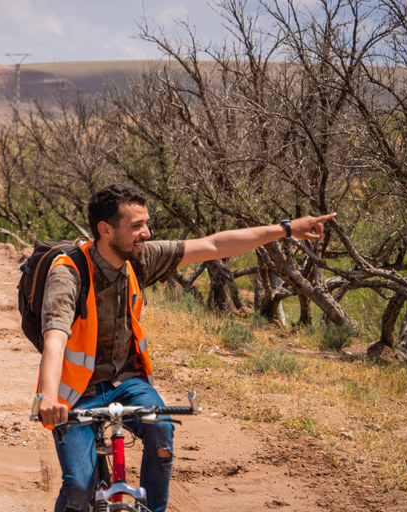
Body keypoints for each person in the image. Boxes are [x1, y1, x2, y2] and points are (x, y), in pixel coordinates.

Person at [38, 183, 336, 512]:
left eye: (146, 224)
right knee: (79, 488)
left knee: (161, 430)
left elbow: (213, 244)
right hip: (76, 392)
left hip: (126, 381)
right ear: (105, 230)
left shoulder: (140, 259)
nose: (147, 234)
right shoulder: (69, 273)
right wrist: (50, 399)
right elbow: (55, 336)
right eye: (136, 226)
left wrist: (287, 229)